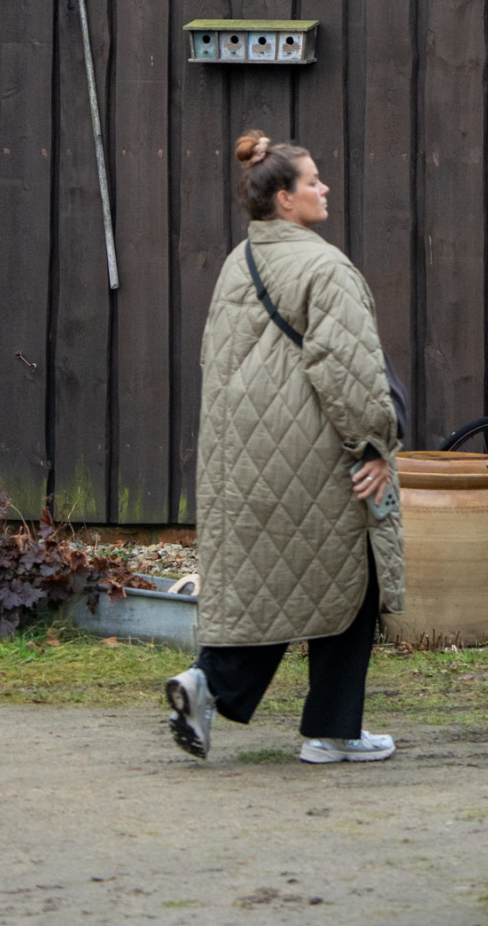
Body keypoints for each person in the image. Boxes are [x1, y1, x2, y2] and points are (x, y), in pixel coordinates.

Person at [164, 131, 404, 764]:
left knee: (282, 581)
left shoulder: (237, 263)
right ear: (283, 198)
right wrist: (375, 444)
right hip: (318, 452)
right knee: (355, 582)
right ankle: (332, 733)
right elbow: (348, 369)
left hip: (244, 456)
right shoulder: (325, 266)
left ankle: (206, 684)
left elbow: (216, 361)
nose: (324, 188)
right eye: (313, 180)